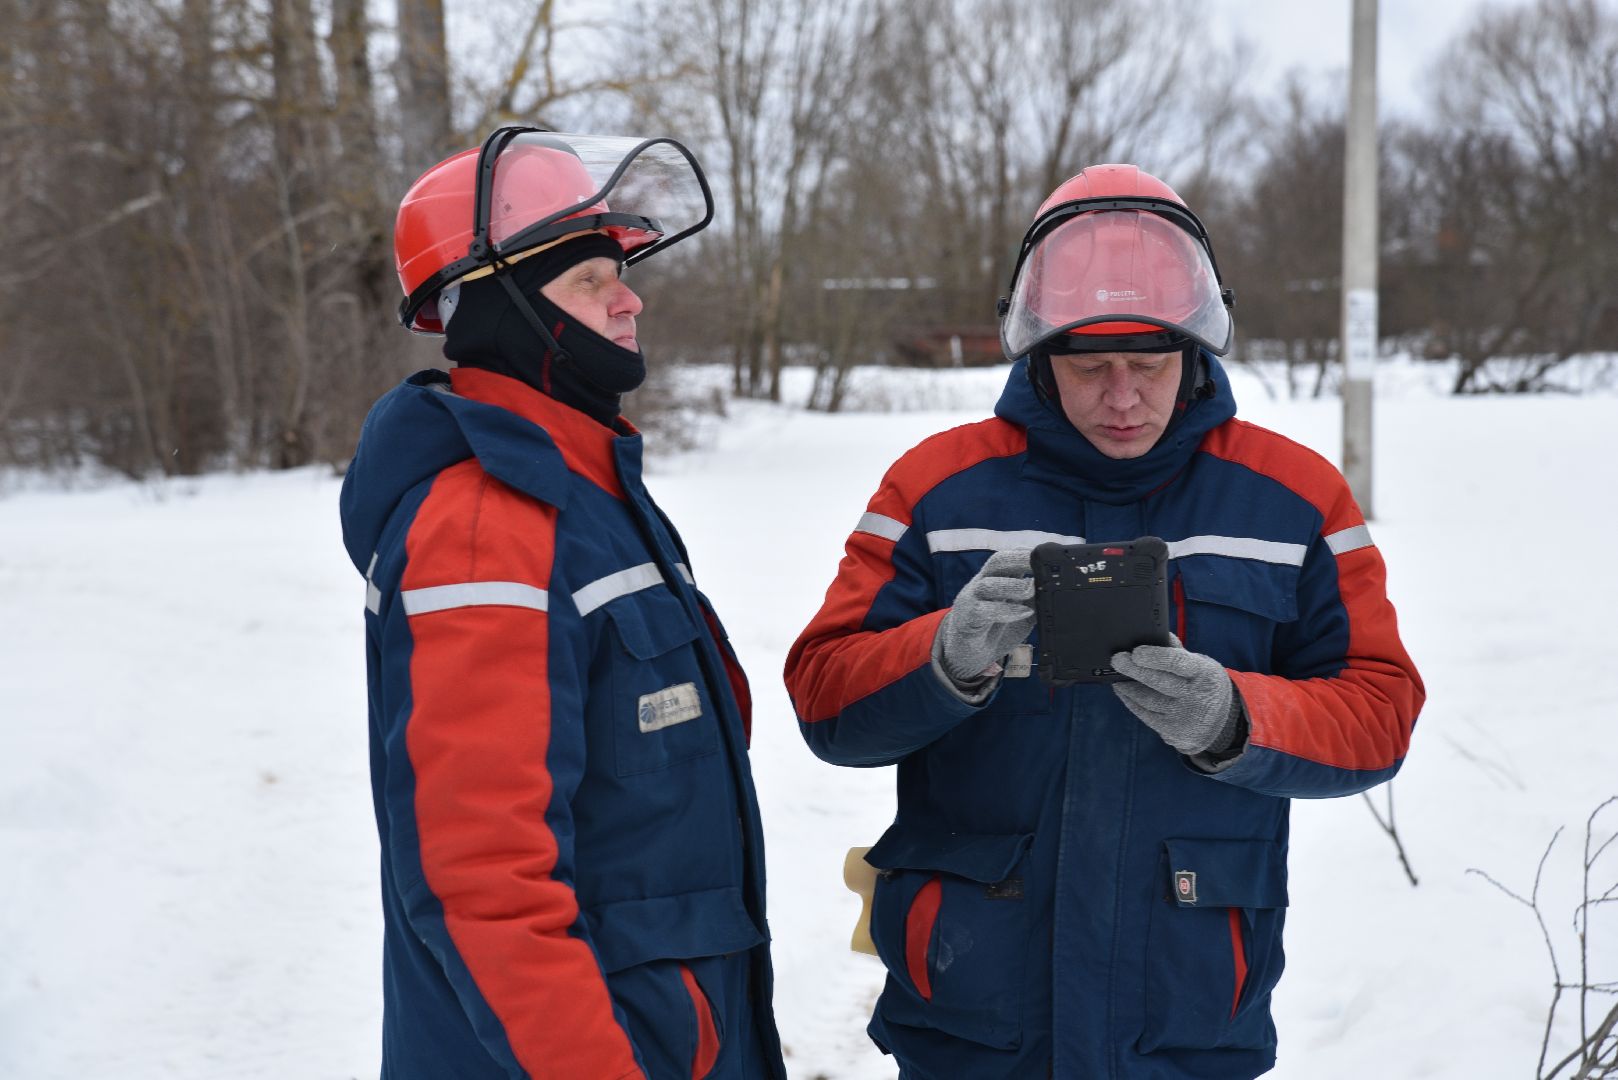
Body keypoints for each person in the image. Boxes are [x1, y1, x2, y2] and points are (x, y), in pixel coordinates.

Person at [783, 163, 1423, 1078]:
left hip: (1188, 1013)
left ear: (1195, 351)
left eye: (1150, 365)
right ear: (1040, 355)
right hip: (972, 1014)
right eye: (1090, 368)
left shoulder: (1293, 499)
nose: (1121, 398)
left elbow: (1381, 709)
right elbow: (822, 697)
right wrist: (945, 654)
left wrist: (1236, 718)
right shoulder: (935, 488)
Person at [340, 127, 786, 1079]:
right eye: (591, 280)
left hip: (676, 1031)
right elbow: (485, 885)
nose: (631, 299)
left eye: (621, 271)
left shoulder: (591, 492)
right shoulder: (487, 524)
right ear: (510, 311)